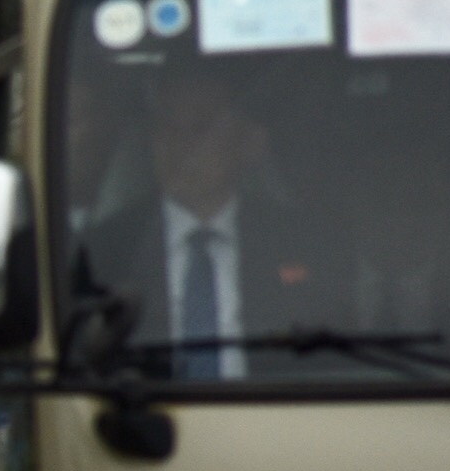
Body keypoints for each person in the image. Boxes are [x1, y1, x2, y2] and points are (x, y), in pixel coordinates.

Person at [69, 71, 333, 380]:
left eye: (200, 129)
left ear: (249, 142)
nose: (180, 146)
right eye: (167, 129)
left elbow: (326, 356)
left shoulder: (303, 240)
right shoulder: (105, 249)